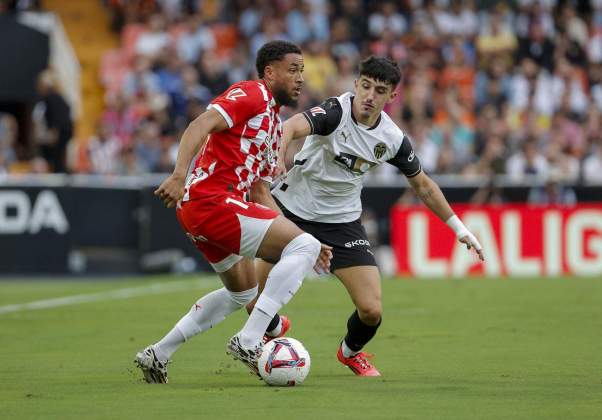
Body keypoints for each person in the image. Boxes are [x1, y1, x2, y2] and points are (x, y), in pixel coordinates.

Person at [249, 56, 485, 377]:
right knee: (252, 297)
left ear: (392, 97)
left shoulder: (392, 139)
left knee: (371, 310)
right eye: (366, 86)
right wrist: (277, 159)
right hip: (291, 211)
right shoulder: (335, 112)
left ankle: (350, 353)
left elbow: (424, 187)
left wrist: (458, 227)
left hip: (342, 222)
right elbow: (290, 127)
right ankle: (274, 327)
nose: (370, 96)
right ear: (356, 85)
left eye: (380, 90)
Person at [134, 41, 332, 384]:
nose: (301, 78)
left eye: (302, 70)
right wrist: (179, 173)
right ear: (269, 72)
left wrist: (300, 237)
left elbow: (258, 191)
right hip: (212, 201)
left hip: (205, 209)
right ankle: (250, 340)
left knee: (242, 292)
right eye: (293, 69)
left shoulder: (272, 123)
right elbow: (201, 124)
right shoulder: (252, 93)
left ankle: (158, 354)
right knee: (304, 246)